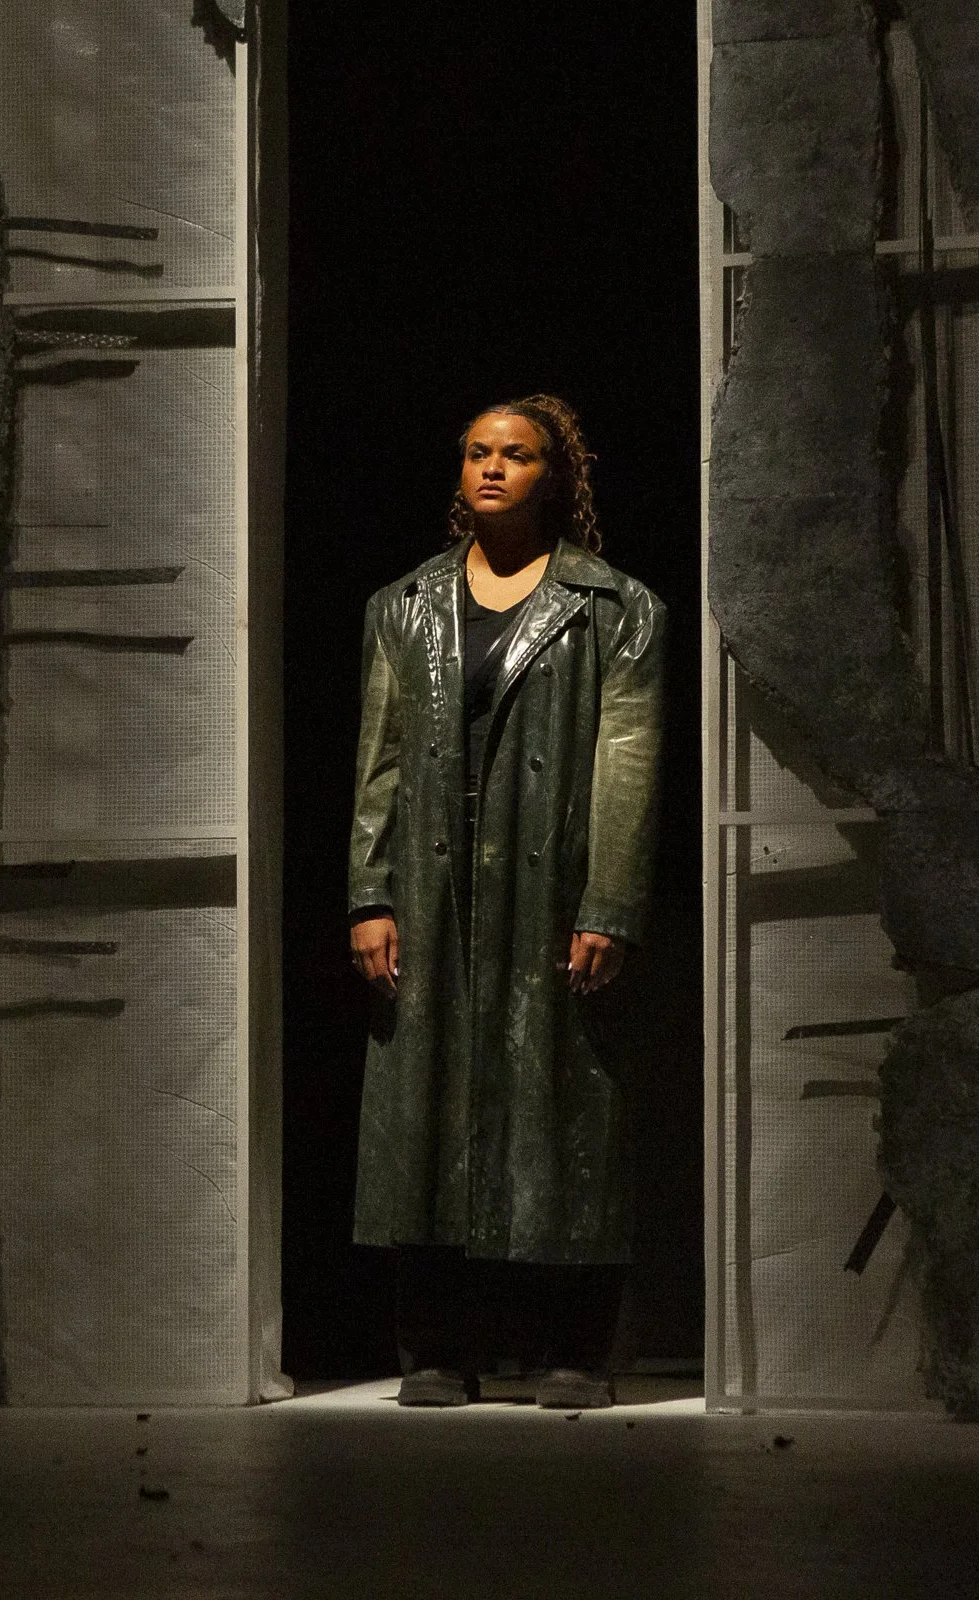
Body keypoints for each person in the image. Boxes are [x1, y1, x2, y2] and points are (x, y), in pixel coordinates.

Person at [347, 394, 666, 1409]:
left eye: (515, 454)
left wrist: (609, 903)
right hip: (435, 894)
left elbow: (629, 759)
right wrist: (369, 891)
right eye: (478, 452)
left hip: (549, 890)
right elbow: (380, 762)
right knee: (427, 1108)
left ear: (554, 475)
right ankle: (436, 1348)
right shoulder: (402, 607)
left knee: (562, 1104)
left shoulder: (614, 608)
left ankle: (571, 1349)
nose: (492, 467)